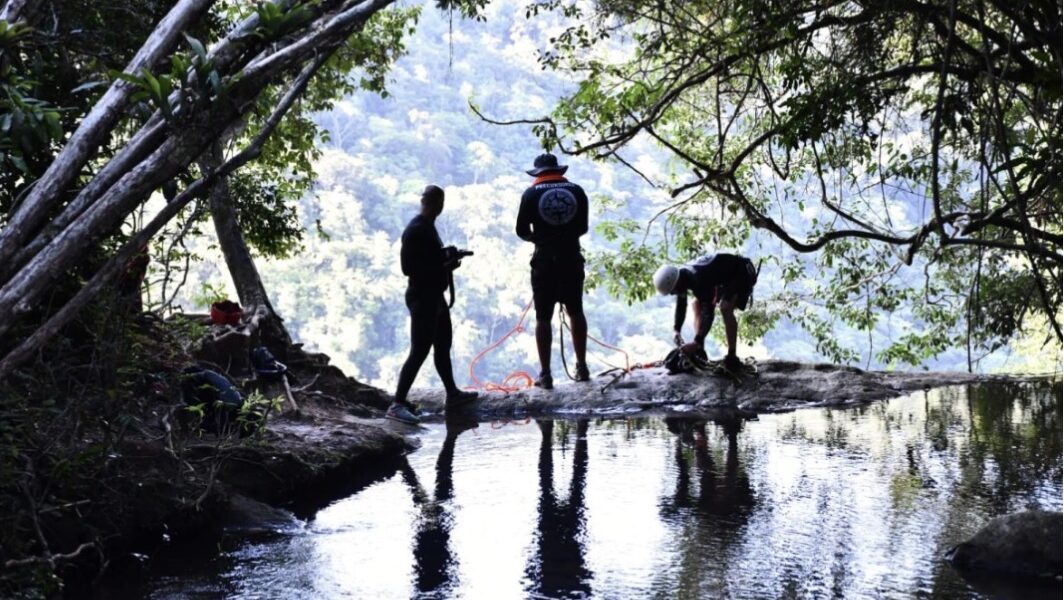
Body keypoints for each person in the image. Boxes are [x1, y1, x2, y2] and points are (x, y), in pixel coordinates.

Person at [387, 185, 478, 425]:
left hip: (434, 296)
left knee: (442, 346)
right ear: (432, 203)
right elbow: (409, 268)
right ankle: (397, 404)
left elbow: (427, 259)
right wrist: (442, 264)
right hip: (422, 296)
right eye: (439, 202)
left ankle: (452, 394)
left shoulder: (428, 227)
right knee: (420, 350)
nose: (440, 206)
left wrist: (446, 260)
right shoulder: (416, 229)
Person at [516, 153, 590, 390]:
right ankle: (581, 366)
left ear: (538, 173)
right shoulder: (577, 191)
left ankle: (546, 374)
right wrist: (564, 238)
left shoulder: (530, 194)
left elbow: (521, 230)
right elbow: (583, 227)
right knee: (576, 311)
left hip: (544, 262)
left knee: (543, 317)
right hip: (571, 259)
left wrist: (540, 240)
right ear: (558, 170)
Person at [653, 253, 757, 372]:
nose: (673, 294)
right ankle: (699, 350)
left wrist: (696, 341)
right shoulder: (683, 275)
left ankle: (732, 357)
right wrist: (676, 329)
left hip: (743, 271)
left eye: (672, 291)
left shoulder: (697, 279)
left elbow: (708, 315)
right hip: (726, 276)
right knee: (695, 305)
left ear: (676, 283)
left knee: (725, 308)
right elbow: (682, 305)